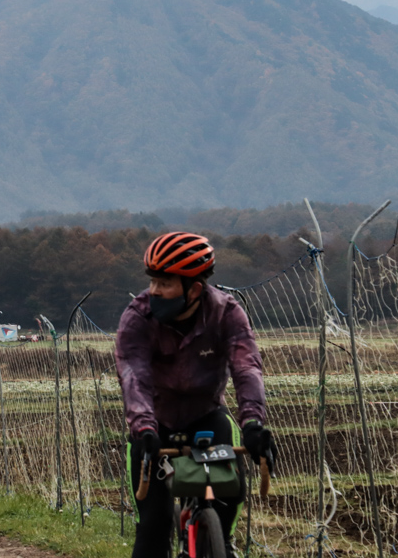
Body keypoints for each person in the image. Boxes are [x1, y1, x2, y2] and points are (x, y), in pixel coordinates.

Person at [115, 232, 275, 558]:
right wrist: (143, 428)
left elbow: (247, 368)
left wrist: (253, 424)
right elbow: (134, 376)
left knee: (229, 493)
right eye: (153, 282)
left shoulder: (226, 313)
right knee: (154, 526)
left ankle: (219, 542)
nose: (155, 291)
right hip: (154, 422)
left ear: (195, 289)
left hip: (206, 414)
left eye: (165, 284)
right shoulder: (137, 317)